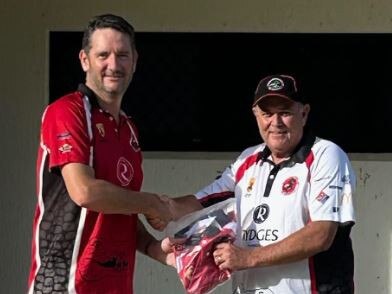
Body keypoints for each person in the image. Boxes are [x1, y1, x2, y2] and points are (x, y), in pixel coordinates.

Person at [159, 74, 356, 293]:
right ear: (255, 115)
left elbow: (321, 234)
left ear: (304, 113)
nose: (275, 122)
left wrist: (248, 257)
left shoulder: (326, 155)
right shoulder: (247, 159)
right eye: (267, 114)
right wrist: (156, 208)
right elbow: (200, 203)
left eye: (285, 112)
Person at [27, 14, 174, 294]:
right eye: (103, 55)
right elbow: (85, 192)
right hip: (65, 285)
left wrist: (156, 249)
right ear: (85, 60)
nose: (113, 65)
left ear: (135, 62)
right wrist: (152, 204)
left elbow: (120, 209)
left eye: (122, 55)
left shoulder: (129, 129)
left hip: (115, 286)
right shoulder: (68, 111)